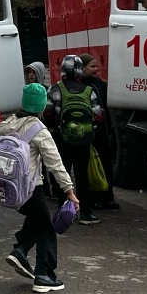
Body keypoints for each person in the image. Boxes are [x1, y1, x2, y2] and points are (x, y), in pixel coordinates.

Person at [0, 82, 79, 293]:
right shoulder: (39, 130)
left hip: (7, 189)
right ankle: (44, 275)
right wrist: (69, 191)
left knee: (38, 220)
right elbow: (55, 163)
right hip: (29, 189)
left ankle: (20, 251)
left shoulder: (8, 123)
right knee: (46, 228)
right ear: (42, 107)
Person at [47, 54, 104, 225]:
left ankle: (64, 211)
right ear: (79, 70)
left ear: (63, 70)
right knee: (82, 176)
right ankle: (86, 213)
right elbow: (98, 115)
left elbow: (48, 113)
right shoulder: (89, 90)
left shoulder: (55, 89)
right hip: (84, 140)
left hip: (62, 139)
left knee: (62, 174)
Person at [80, 53, 119, 211]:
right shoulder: (80, 86)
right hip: (88, 135)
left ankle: (108, 198)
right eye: (92, 66)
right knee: (90, 167)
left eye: (96, 66)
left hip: (103, 134)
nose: (96, 69)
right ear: (82, 68)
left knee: (106, 166)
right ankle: (94, 199)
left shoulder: (99, 84)